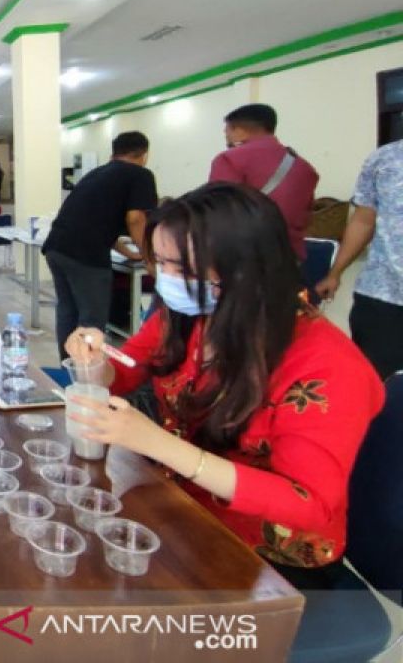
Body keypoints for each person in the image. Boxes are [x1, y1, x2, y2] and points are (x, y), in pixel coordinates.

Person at [67, 183, 383, 590]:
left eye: (183, 269)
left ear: (246, 268)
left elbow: (308, 504)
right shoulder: (193, 314)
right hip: (185, 509)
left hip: (264, 556)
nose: (167, 280)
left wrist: (159, 444)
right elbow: (128, 368)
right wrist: (94, 363)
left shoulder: (326, 367)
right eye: (161, 263)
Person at [42, 131, 158, 357]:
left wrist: (127, 251)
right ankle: (87, 375)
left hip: (57, 246)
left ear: (113, 152)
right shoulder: (140, 174)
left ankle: (70, 369)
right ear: (144, 155)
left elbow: (95, 220)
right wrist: (148, 255)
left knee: (67, 311)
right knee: (91, 318)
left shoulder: (96, 174)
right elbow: (136, 219)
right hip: (85, 255)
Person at [316, 139, 403, 378]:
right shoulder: (383, 159)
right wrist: (335, 273)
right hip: (382, 294)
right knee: (376, 382)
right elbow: (364, 220)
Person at [209, 103, 319, 259]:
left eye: (227, 131)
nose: (226, 136)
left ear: (238, 129)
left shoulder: (230, 159)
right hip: (290, 256)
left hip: (245, 256)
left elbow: (220, 213)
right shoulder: (306, 168)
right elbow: (306, 217)